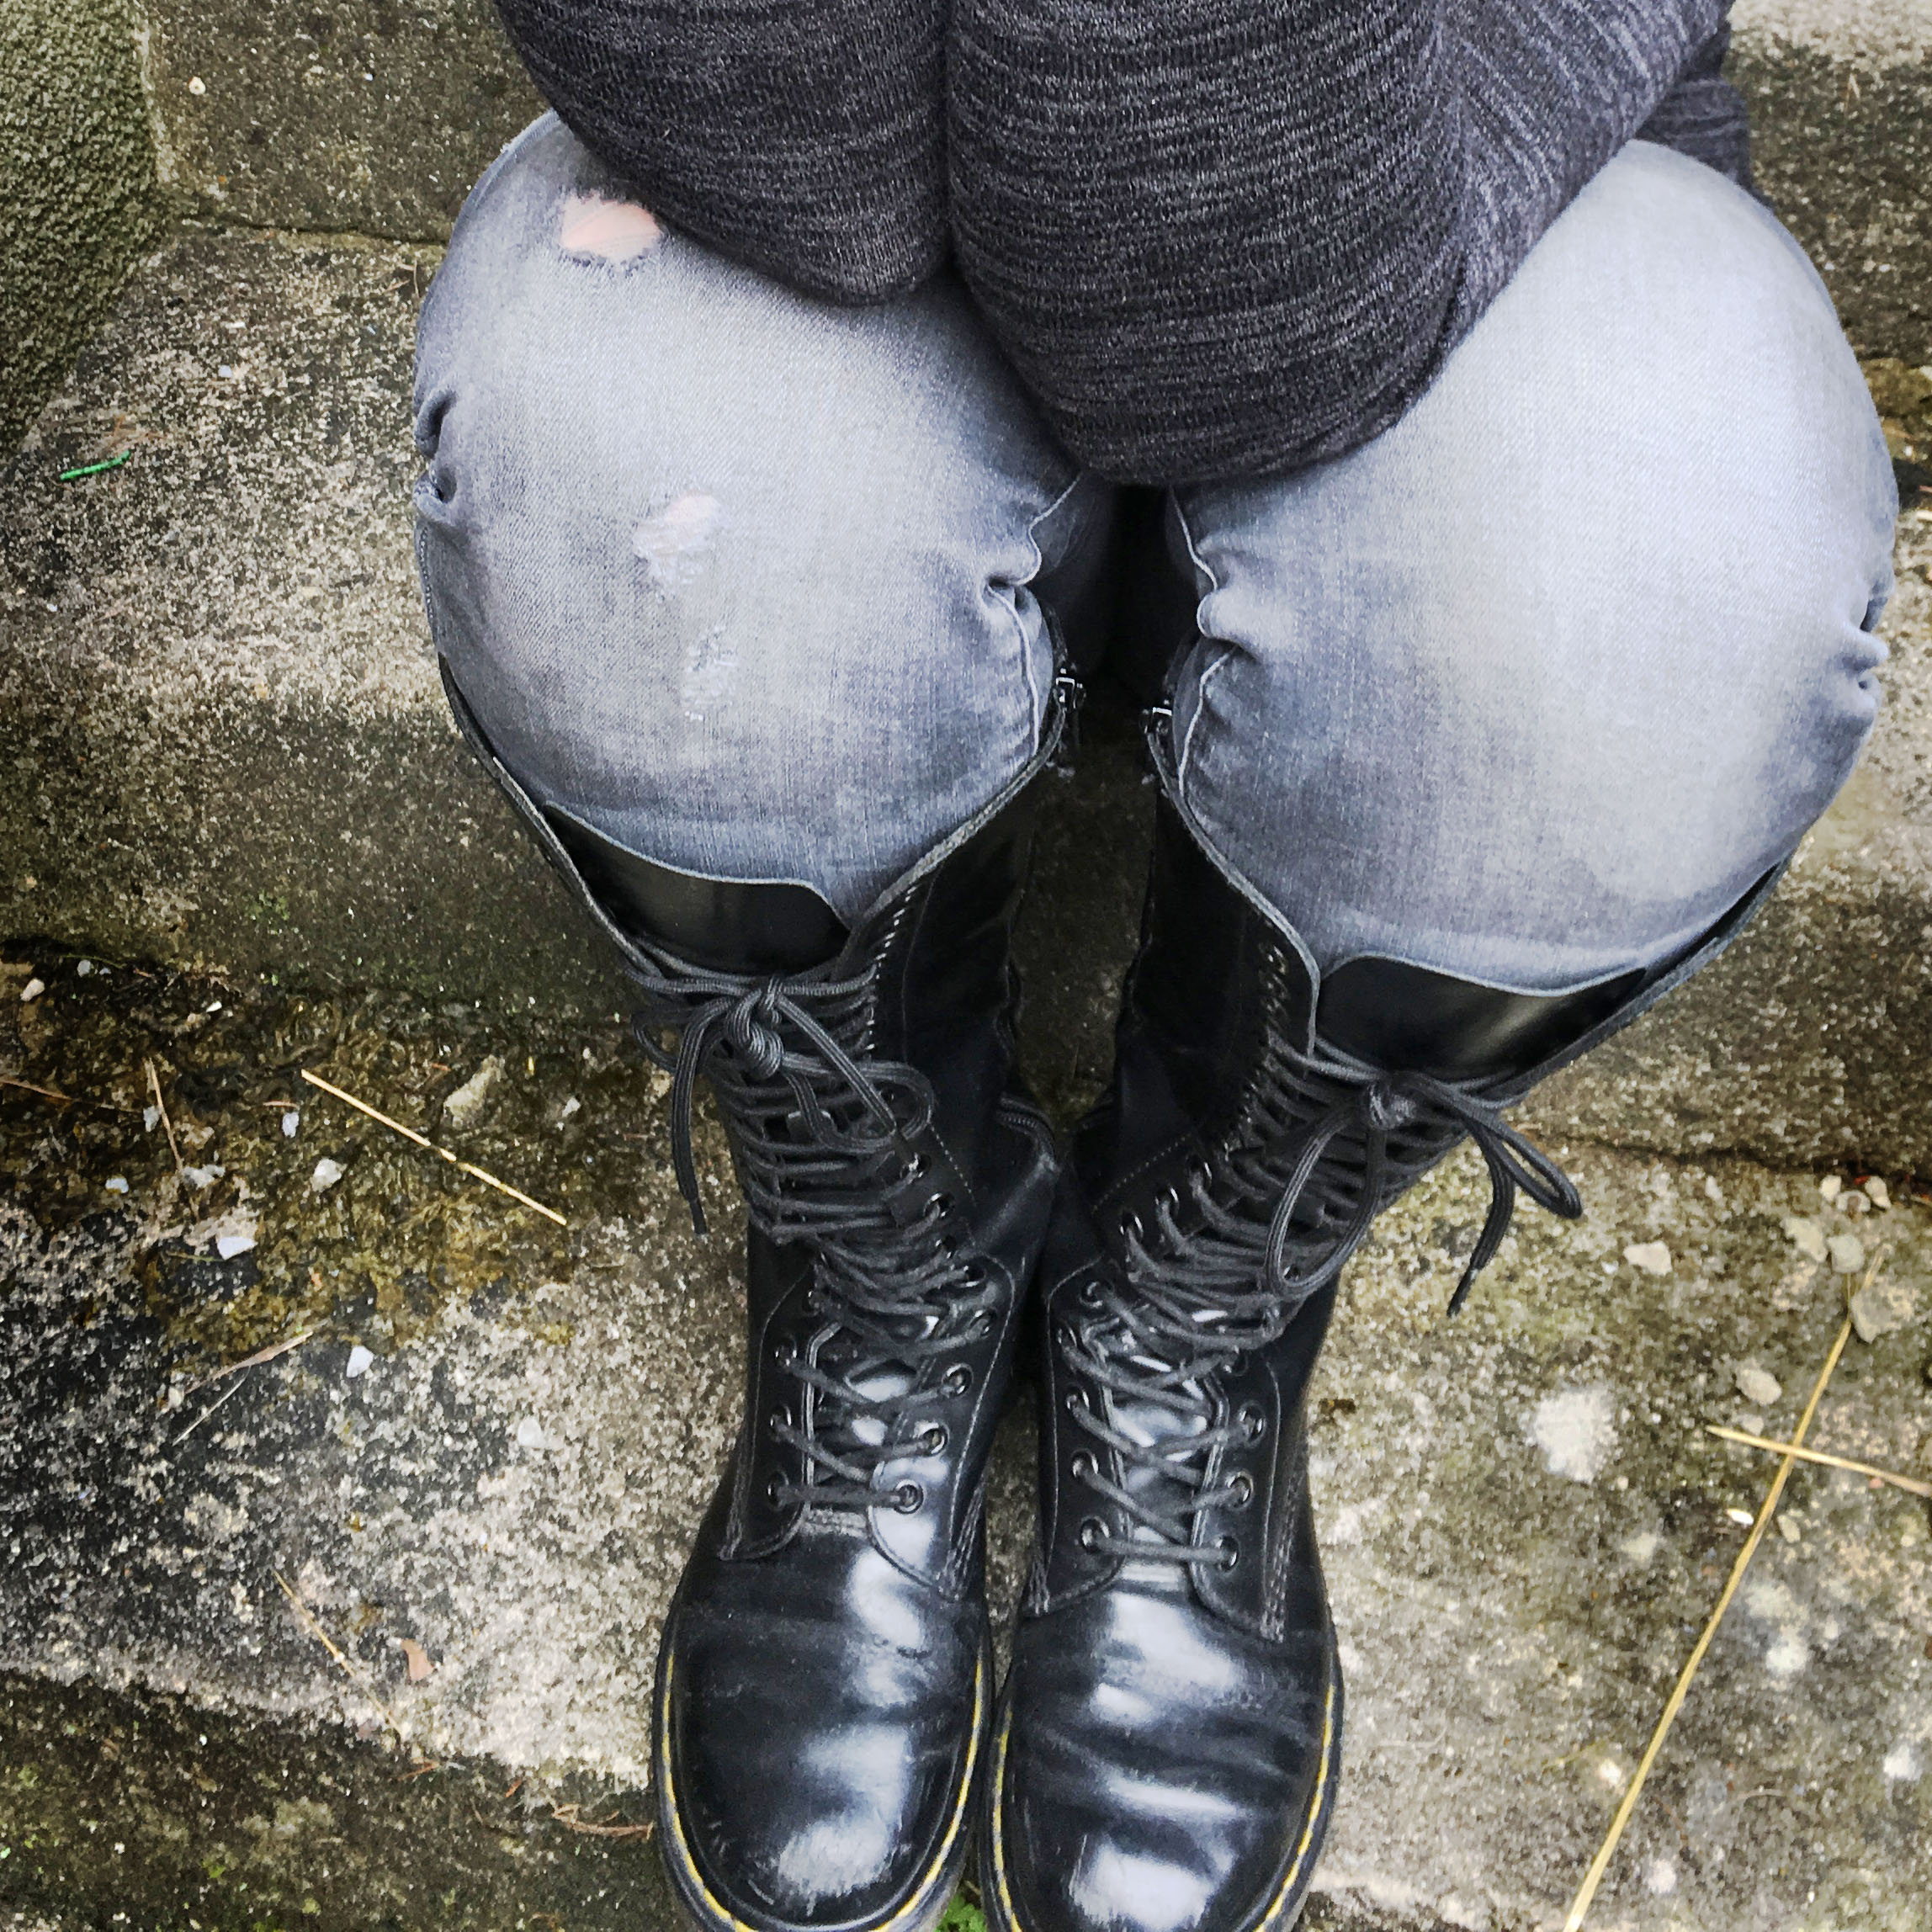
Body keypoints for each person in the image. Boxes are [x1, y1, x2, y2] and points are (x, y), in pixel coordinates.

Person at [410, 6, 1897, 1931]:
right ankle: (896, 1243)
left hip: (1490, 151)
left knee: (1638, 609)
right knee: (624, 505)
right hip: (785, 167)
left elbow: (1222, 294)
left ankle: (1190, 1292)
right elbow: (812, 165)